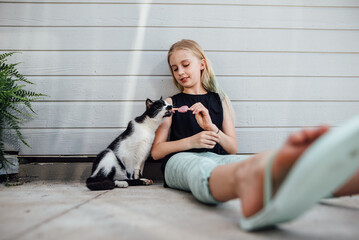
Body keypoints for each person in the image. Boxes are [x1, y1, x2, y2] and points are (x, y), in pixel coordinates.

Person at [151, 39, 359, 220]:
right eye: (175, 68)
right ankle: (246, 184)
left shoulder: (218, 100)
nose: (180, 72)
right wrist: (191, 142)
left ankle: (340, 177)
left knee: (247, 161)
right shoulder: (171, 103)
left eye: (185, 64)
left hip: (218, 157)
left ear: (202, 64)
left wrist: (212, 129)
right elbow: (157, 151)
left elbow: (232, 147)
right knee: (201, 168)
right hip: (179, 162)